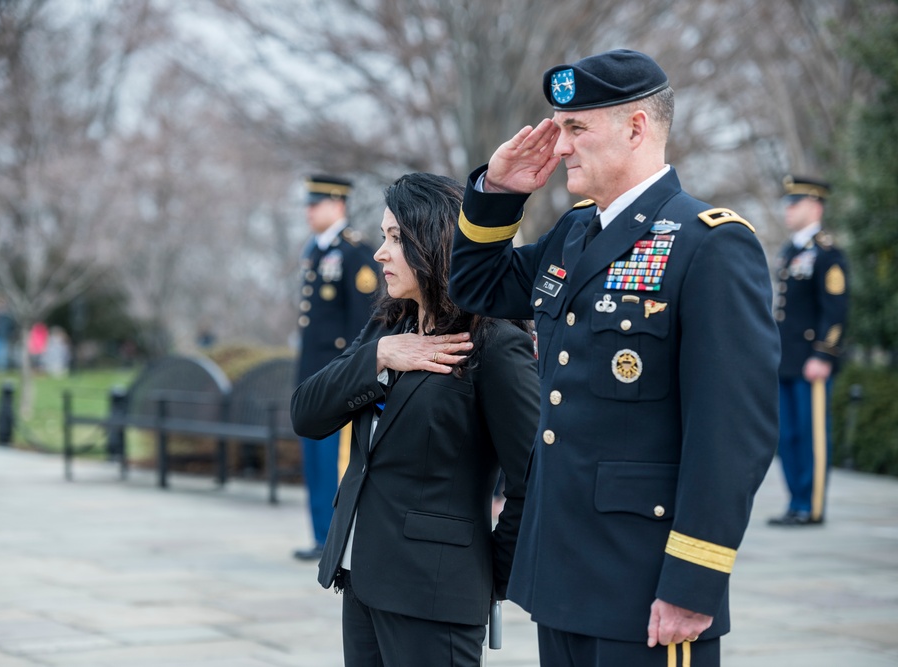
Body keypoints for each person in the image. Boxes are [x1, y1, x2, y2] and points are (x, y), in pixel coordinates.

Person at [448, 49, 780, 666]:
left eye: (577, 128)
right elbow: (477, 287)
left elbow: (732, 435)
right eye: (559, 127)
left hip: (646, 583)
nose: (562, 147)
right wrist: (497, 193)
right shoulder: (576, 233)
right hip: (563, 573)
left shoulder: (710, 244)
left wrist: (693, 582)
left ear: (636, 128)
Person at [291, 172, 539, 666]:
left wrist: (488, 573)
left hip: (435, 592)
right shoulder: (391, 324)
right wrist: (380, 355)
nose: (382, 252)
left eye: (396, 238)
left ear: (434, 242)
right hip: (362, 578)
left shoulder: (493, 341)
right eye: (383, 236)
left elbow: (533, 477)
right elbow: (307, 413)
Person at [293, 174, 380, 561]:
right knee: (315, 458)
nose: (309, 211)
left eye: (317, 203)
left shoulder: (354, 252)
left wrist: (355, 374)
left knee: (337, 458)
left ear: (338, 205)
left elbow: (363, 323)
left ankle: (338, 535)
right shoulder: (315, 250)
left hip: (339, 376)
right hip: (314, 372)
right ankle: (320, 535)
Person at [768, 176, 849, 527]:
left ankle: (811, 507)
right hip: (786, 361)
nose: (788, 209)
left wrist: (824, 355)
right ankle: (795, 502)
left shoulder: (826, 252)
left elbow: (835, 308)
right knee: (788, 436)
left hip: (811, 363)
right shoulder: (791, 251)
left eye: (795, 203)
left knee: (812, 435)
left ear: (815, 206)